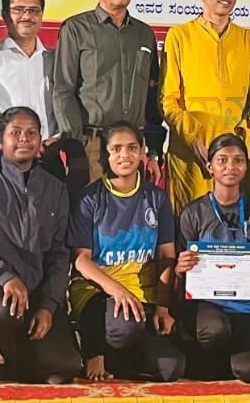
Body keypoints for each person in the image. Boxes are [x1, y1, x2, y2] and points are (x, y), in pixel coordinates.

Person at [0, 107, 81, 385]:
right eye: (15, 132)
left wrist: (48, 305)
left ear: (40, 140)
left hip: (33, 291)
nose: (24, 139)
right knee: (4, 309)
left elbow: (59, 254)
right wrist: (5, 276)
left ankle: (11, 352)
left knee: (62, 368)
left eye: (31, 133)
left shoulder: (55, 189)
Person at [68, 122, 184, 382]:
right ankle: (94, 350)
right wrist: (118, 291)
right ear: (105, 155)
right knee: (125, 325)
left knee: (171, 368)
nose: (125, 155)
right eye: (116, 149)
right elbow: (81, 260)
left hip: (143, 295)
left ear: (142, 152)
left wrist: (163, 307)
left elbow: (166, 256)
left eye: (132, 148)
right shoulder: (89, 198)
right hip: (99, 293)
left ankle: (118, 359)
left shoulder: (157, 198)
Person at [53, 0, 165, 188]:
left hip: (132, 147)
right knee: (87, 208)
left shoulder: (144, 33)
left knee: (128, 209)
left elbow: (152, 95)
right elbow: (63, 90)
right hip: (91, 147)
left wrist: (154, 150)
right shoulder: (76, 29)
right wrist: (74, 147)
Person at [162, 0, 250, 211]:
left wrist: (240, 137)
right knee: (190, 222)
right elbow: (167, 100)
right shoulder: (179, 36)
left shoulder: (249, 39)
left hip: (236, 154)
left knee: (240, 222)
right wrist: (193, 138)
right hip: (191, 152)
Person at [0, 0, 85, 194]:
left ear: (41, 16)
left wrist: (57, 139)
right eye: (19, 10)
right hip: (2, 159)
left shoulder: (55, 60)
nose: (27, 16)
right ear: (5, 15)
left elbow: (69, 105)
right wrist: (9, 143)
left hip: (48, 158)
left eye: (34, 10)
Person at [174, 133, 250, 382]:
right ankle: (210, 358)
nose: (230, 166)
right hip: (208, 304)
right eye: (222, 160)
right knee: (214, 330)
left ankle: (228, 359)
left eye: (238, 160)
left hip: (246, 305)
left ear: (246, 166)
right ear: (210, 167)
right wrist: (180, 266)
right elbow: (180, 269)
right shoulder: (193, 212)